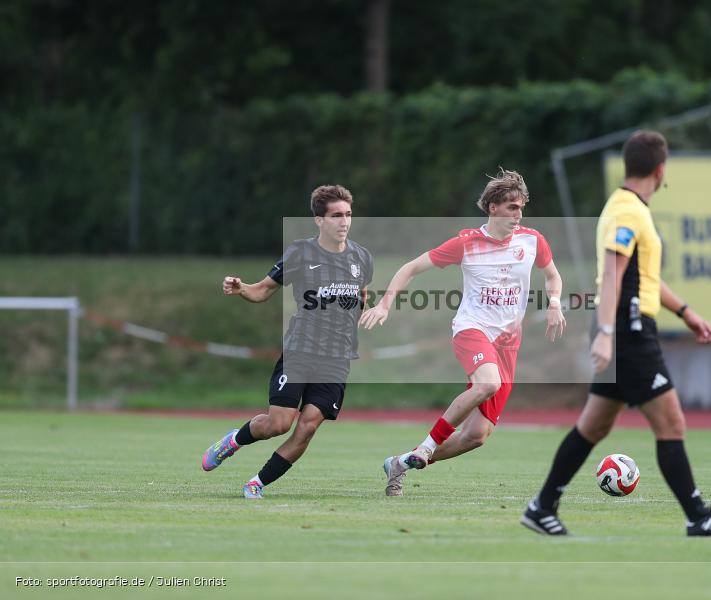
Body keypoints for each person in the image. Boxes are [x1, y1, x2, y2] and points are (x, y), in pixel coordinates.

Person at [521, 131, 711, 537]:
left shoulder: (628, 207)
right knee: (672, 423)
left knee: (593, 427)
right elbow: (614, 270)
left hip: (626, 325)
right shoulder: (629, 211)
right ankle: (699, 517)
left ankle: (542, 507)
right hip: (627, 328)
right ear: (660, 170)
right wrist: (607, 332)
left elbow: (644, 277)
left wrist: (685, 312)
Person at [360, 168, 566, 496]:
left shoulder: (532, 240)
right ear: (493, 207)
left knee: (477, 436)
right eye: (512, 207)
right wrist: (384, 304)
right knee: (488, 383)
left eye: (521, 207)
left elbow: (552, 276)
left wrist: (554, 302)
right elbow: (411, 268)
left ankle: (400, 462)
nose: (518, 214)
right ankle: (427, 446)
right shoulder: (466, 243)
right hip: (472, 329)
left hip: (508, 344)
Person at [201, 184, 373, 499]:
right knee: (278, 424)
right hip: (301, 352)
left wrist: (368, 312)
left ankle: (257, 483)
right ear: (319, 220)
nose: (344, 222)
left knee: (307, 427)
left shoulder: (361, 257)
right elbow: (263, 290)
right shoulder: (300, 253)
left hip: (337, 359)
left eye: (348, 215)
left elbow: (361, 295)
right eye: (336, 216)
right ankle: (233, 442)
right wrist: (241, 288)